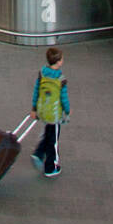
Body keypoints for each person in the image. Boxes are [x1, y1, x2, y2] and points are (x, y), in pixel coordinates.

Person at [30, 45, 70, 177]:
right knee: (54, 140)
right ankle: (51, 167)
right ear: (58, 62)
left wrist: (34, 108)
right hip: (54, 115)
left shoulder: (42, 73)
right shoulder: (61, 79)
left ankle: (38, 153)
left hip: (43, 110)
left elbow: (36, 91)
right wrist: (67, 111)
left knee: (48, 133)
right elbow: (63, 98)